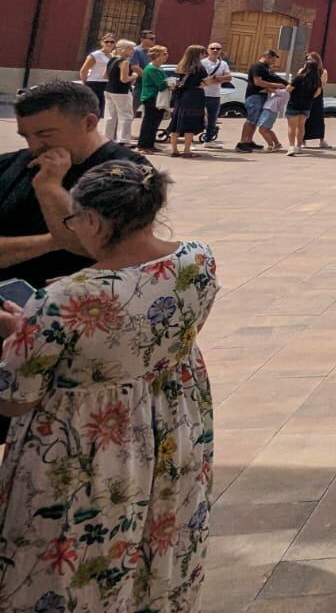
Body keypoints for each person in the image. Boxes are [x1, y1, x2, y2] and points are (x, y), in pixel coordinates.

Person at [0, 157, 216, 613]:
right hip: (174, 429)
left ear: (94, 221)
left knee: (78, 559)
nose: (72, 228)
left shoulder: (62, 300)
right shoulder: (197, 258)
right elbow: (142, 308)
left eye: (73, 219)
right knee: (159, 533)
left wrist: (21, 331)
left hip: (91, 450)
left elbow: (16, 401)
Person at [0, 81, 139, 295]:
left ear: (89, 123)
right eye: (26, 136)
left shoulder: (129, 173)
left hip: (72, 311)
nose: (34, 146)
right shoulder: (9, 165)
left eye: (45, 134)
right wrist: (59, 239)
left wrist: (49, 188)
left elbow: (116, 250)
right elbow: (87, 241)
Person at [238, 49, 286, 152]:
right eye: (272, 60)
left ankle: (249, 141)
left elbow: (273, 78)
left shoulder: (266, 68)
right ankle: (242, 143)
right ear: (267, 57)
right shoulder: (257, 66)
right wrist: (277, 86)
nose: (273, 63)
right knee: (251, 120)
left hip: (261, 96)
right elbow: (258, 82)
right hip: (254, 96)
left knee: (255, 121)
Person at [168, 44, 210, 158]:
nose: (204, 55)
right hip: (194, 97)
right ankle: (186, 150)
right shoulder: (199, 67)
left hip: (181, 97)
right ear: (197, 54)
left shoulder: (181, 65)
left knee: (176, 122)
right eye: (202, 53)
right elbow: (206, 81)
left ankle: (174, 150)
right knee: (190, 124)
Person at [101, 38, 140, 146]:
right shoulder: (124, 62)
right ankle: (123, 139)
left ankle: (107, 138)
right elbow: (124, 79)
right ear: (124, 50)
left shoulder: (112, 59)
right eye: (131, 49)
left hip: (109, 89)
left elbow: (105, 75)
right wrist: (134, 76)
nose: (133, 51)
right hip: (121, 91)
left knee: (110, 115)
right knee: (126, 115)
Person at [284, 53, 324, 156]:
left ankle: (291, 147)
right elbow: (317, 93)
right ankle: (298, 146)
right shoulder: (317, 80)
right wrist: (309, 97)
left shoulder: (299, 78)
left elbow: (288, 89)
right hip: (307, 105)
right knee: (301, 126)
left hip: (294, 104)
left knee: (291, 127)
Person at [135, 44, 171, 153]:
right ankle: (143, 145)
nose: (166, 56)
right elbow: (160, 84)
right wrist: (169, 82)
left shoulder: (158, 68)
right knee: (149, 123)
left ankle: (150, 144)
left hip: (157, 98)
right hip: (151, 97)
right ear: (157, 55)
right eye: (164, 54)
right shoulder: (151, 69)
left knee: (155, 122)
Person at [199, 42, 232, 145]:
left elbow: (229, 78)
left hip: (215, 95)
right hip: (201, 94)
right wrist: (219, 79)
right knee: (196, 116)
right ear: (208, 50)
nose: (215, 50)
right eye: (212, 48)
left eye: (218, 49)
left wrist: (215, 78)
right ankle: (190, 140)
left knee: (213, 118)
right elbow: (200, 79)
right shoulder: (202, 63)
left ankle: (208, 140)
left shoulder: (223, 64)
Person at [77, 34, 116, 115]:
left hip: (106, 83)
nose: (109, 44)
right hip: (94, 82)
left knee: (102, 109)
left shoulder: (113, 56)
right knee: (93, 108)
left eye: (112, 42)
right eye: (107, 42)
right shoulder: (95, 55)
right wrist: (85, 83)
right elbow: (84, 70)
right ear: (102, 43)